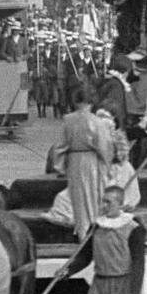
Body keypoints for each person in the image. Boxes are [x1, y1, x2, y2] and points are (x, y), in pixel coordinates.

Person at [56, 85, 114, 243]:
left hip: (74, 161)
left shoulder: (67, 120)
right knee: (94, 196)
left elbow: (60, 145)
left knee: (78, 199)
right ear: (91, 102)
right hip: (92, 161)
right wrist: (108, 166)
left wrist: (60, 165)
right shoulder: (96, 121)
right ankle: (94, 232)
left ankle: (82, 233)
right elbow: (104, 146)